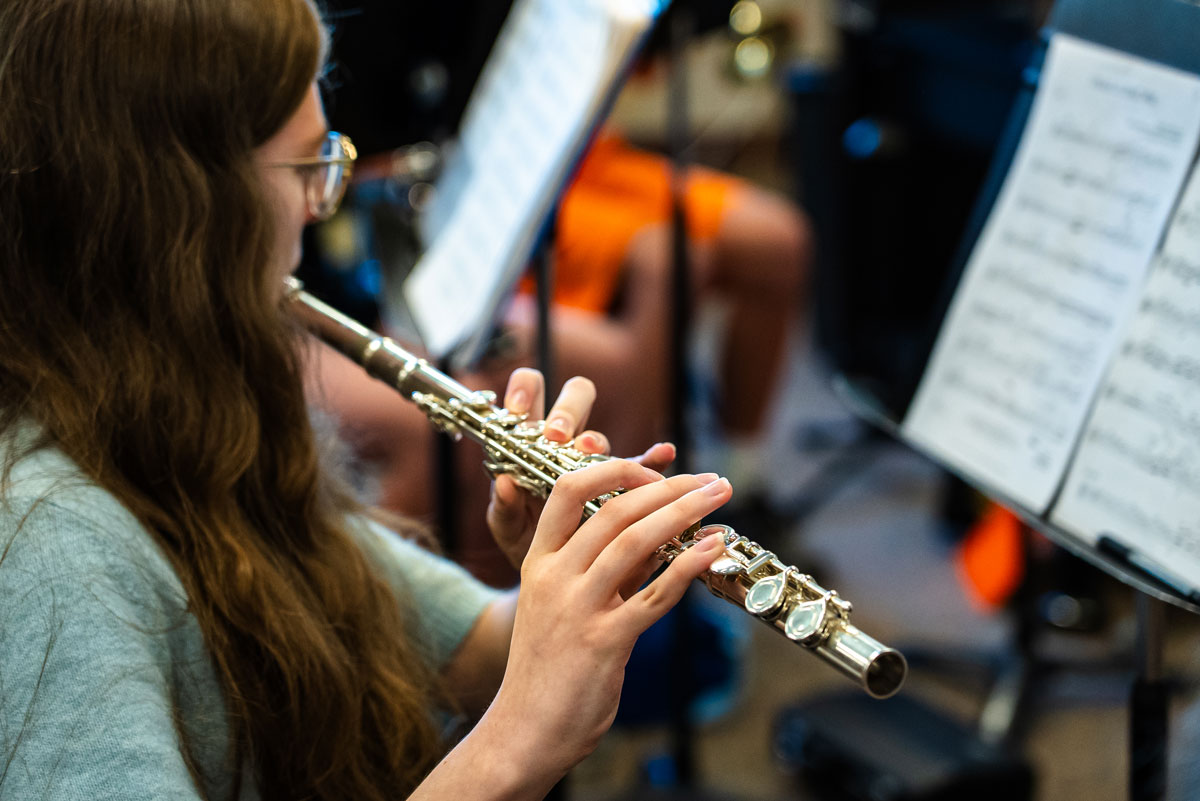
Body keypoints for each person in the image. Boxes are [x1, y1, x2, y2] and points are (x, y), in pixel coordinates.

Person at [0, 2, 735, 799]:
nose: (322, 205)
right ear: (178, 210)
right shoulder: (47, 544)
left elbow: (462, 646)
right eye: (307, 166)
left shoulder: (187, 414)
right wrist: (515, 744)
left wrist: (579, 579)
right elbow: (504, 717)